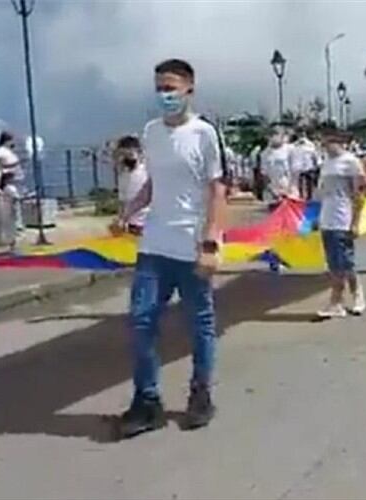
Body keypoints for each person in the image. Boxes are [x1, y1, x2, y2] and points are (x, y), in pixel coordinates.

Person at [110, 59, 227, 437]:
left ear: (189, 89)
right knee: (141, 320)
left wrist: (211, 242)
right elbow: (152, 185)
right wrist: (127, 212)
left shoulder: (204, 134)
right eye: (160, 88)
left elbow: (217, 190)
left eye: (171, 88)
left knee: (200, 324)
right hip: (155, 244)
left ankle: (200, 394)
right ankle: (147, 401)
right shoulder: (151, 132)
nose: (165, 95)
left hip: (191, 245)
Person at [316, 129, 366, 318]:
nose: (325, 146)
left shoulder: (351, 162)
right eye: (323, 143)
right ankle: (337, 302)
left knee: (346, 262)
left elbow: (359, 195)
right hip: (327, 218)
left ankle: (354, 295)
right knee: (333, 264)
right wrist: (316, 217)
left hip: (342, 217)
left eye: (328, 142)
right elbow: (321, 193)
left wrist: (355, 222)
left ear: (338, 142)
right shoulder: (326, 163)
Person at [113, 135, 149, 235]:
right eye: (122, 155)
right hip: (131, 224)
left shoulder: (146, 171)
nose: (125, 158)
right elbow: (122, 200)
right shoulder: (123, 175)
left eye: (129, 154)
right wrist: (121, 219)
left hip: (147, 222)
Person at [0, 131, 24, 235]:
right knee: (11, 204)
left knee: (16, 203)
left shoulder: (9, 151)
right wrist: (13, 166)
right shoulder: (0, 152)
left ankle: (17, 225)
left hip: (15, 181)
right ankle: (13, 226)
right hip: (8, 181)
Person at [261, 127, 297, 205]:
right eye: (271, 135)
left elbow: (295, 170)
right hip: (273, 190)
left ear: (282, 136)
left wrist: (290, 188)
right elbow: (264, 174)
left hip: (289, 187)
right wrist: (271, 190)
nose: (274, 137)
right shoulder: (265, 153)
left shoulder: (290, 149)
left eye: (277, 134)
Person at [291, 131, 320, 200]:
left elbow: (315, 156)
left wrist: (316, 165)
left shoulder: (310, 145)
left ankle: (307, 198)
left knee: (307, 187)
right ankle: (304, 198)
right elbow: (316, 157)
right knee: (301, 187)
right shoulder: (294, 146)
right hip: (301, 169)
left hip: (306, 169)